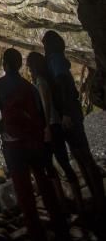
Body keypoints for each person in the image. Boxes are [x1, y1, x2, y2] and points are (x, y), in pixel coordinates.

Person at [0, 48, 69, 241]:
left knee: (24, 191)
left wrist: (4, 131)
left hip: (14, 145)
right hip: (34, 143)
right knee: (44, 184)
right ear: (19, 65)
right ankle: (60, 226)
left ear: (5, 65)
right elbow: (41, 116)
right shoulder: (30, 88)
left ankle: (35, 232)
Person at [42, 30, 105, 217]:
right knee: (80, 155)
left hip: (69, 115)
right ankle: (96, 198)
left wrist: (67, 114)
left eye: (45, 43)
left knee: (83, 155)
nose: (44, 46)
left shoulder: (55, 60)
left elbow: (64, 86)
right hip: (69, 113)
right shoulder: (57, 59)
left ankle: (100, 200)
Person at [26, 51, 84, 213]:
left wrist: (46, 127)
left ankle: (62, 203)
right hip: (55, 125)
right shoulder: (48, 79)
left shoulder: (41, 81)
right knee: (62, 164)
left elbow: (46, 104)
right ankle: (76, 203)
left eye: (30, 66)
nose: (29, 69)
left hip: (51, 126)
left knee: (52, 166)